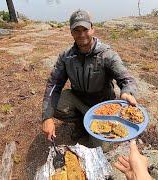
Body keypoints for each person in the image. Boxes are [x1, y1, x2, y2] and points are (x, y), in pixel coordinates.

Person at [41, 9, 138, 141]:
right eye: (77, 30)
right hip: (79, 99)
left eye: (85, 29)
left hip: (103, 106)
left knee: (101, 146)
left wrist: (127, 92)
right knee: (56, 104)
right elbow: (54, 84)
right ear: (71, 32)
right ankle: (81, 123)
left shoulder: (106, 54)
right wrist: (47, 116)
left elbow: (126, 79)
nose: (81, 34)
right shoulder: (66, 57)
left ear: (92, 29)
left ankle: (93, 125)